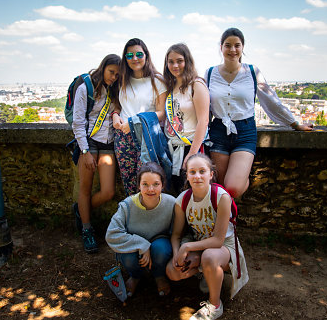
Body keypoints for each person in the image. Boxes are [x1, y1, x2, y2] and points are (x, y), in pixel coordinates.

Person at [206, 28, 313, 199]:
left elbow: (271, 100)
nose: (232, 50)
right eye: (228, 45)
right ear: (221, 47)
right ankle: (227, 224)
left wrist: (294, 123)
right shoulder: (210, 73)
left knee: (232, 188)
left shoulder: (252, 72)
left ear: (243, 48)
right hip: (218, 131)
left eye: (237, 45)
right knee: (218, 188)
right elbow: (205, 107)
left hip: (245, 131)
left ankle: (242, 178)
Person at [166, 153, 248, 320]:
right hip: (199, 243)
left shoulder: (221, 196)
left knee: (210, 257)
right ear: (187, 176)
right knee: (172, 272)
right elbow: (176, 235)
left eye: (202, 171)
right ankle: (206, 273)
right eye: (192, 172)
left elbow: (218, 240)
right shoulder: (182, 200)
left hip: (224, 246)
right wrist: (177, 254)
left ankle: (215, 305)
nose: (197, 176)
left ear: (211, 174)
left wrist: (187, 247)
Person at [73, 54, 120, 253]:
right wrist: (84, 151)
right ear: (103, 68)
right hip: (89, 143)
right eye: (111, 72)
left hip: (108, 144)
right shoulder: (86, 89)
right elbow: (78, 122)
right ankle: (86, 229)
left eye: (118, 75)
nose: (113, 77)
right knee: (85, 188)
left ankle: (80, 210)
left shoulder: (115, 90)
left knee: (108, 192)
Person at [106, 162, 175, 297]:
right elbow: (111, 234)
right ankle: (135, 276)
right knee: (128, 257)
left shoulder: (171, 203)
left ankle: (159, 275)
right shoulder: (127, 205)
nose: (150, 189)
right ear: (138, 185)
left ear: (163, 185)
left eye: (156, 184)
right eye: (145, 184)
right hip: (135, 246)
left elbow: (177, 232)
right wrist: (142, 245)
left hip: (159, 243)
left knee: (161, 250)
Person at [112, 38, 167, 196]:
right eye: (129, 55)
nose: (134, 58)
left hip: (146, 136)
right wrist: (115, 115)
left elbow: (161, 113)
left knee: (146, 181)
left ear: (146, 55)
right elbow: (119, 104)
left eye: (138, 54)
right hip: (123, 136)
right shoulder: (122, 80)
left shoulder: (157, 81)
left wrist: (135, 121)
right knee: (129, 182)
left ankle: (151, 218)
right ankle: (135, 217)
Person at [163, 43, 210, 193]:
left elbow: (204, 120)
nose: (175, 65)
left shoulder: (196, 85)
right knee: (178, 195)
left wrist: (192, 153)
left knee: (193, 194)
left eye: (179, 60)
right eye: (171, 61)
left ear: (187, 61)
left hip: (192, 147)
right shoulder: (170, 86)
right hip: (173, 149)